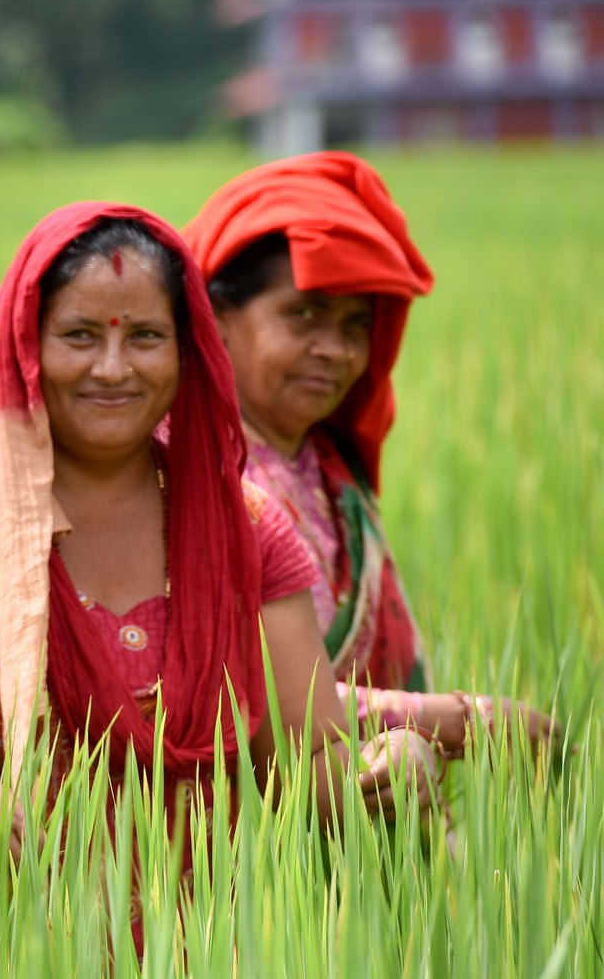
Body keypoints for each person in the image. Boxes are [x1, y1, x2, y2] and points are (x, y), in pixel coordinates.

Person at [0, 203, 364, 894]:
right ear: (26, 343)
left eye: (145, 336)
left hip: (193, 976)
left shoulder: (243, 528)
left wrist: (389, 763)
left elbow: (311, 770)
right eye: (79, 336)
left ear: (187, 350)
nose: (112, 368)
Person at [185, 152, 555, 794]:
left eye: (356, 325)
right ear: (215, 322)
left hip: (353, 821)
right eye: (303, 315)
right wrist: (461, 719)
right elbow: (233, 688)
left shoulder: (332, 469)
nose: (336, 350)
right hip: (224, 842)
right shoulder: (182, 478)